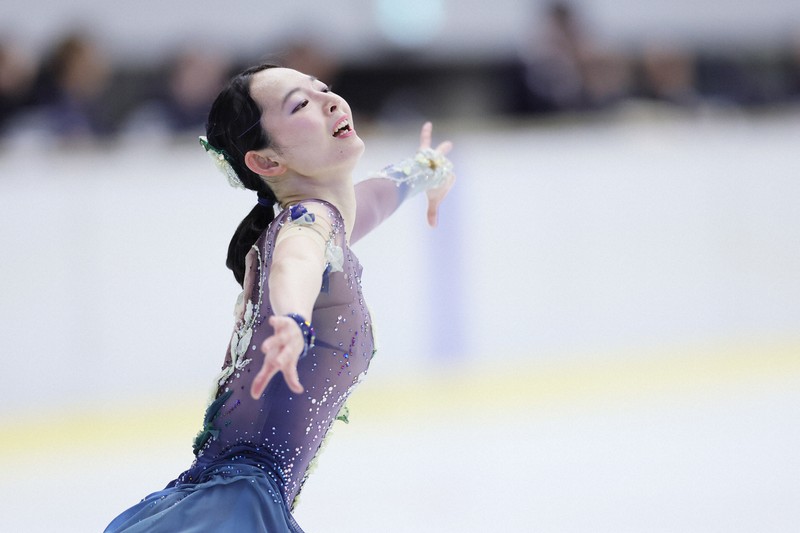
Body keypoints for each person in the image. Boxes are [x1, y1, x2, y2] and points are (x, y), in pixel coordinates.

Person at [104, 64, 455, 532]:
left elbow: (382, 193)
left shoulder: (333, 219)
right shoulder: (305, 222)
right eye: (301, 104)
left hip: (236, 499)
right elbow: (297, 260)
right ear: (267, 162)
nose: (330, 100)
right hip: (235, 508)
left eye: (323, 89)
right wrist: (291, 317)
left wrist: (430, 167)